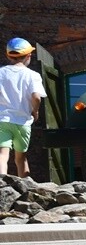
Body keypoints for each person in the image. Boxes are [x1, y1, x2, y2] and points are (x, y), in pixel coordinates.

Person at [0, 38, 47, 178]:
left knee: (3, 154)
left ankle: (1, 184)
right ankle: (25, 187)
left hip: (3, 119)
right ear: (29, 56)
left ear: (8, 55)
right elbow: (37, 97)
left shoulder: (1, 72)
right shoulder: (33, 75)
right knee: (21, 158)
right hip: (23, 121)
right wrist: (35, 111)